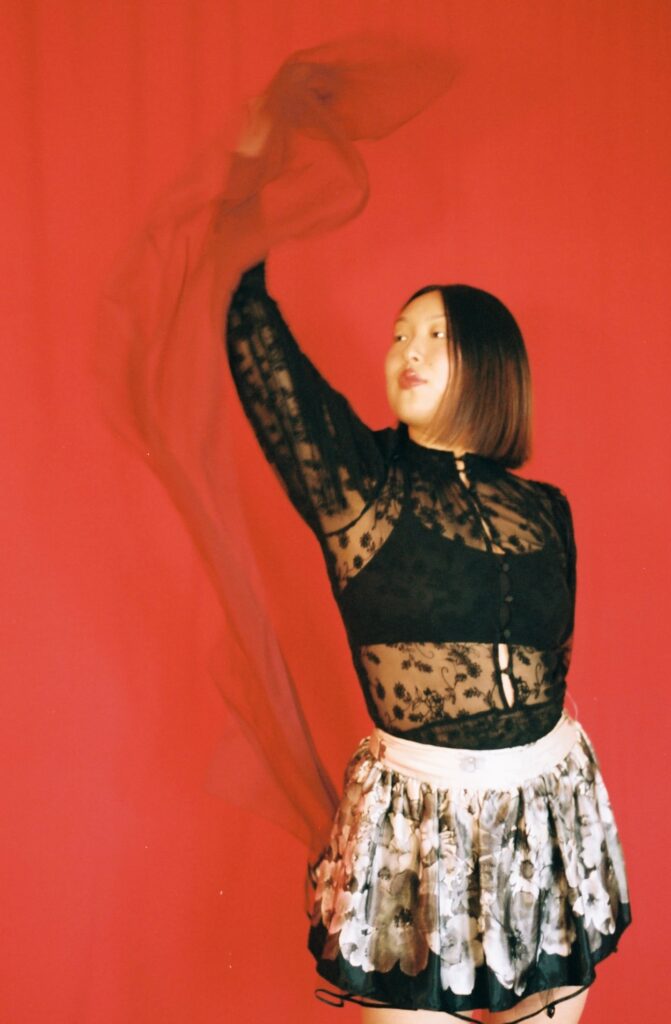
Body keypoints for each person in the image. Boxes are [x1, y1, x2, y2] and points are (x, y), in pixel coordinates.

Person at [222, 91, 632, 1024]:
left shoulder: (545, 510)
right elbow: (254, 339)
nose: (406, 349)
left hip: (549, 818)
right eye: (399, 334)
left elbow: (547, 666)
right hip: (417, 829)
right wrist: (246, 188)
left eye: (435, 335)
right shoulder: (358, 486)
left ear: (489, 363)